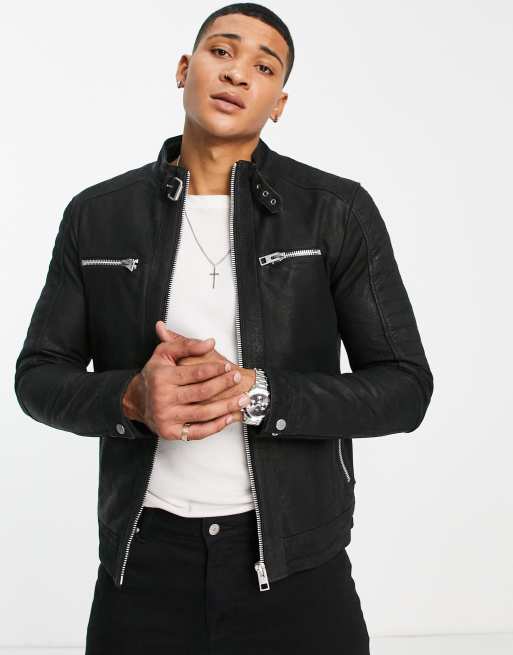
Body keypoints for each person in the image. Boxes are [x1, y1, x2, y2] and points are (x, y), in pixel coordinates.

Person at [14, 3, 434, 653]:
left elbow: (405, 388)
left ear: (279, 103)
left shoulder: (335, 212)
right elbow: (38, 375)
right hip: (142, 561)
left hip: (297, 565)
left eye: (263, 67)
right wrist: (130, 398)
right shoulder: (97, 216)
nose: (237, 73)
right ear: (185, 69)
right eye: (221, 51)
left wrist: (259, 393)